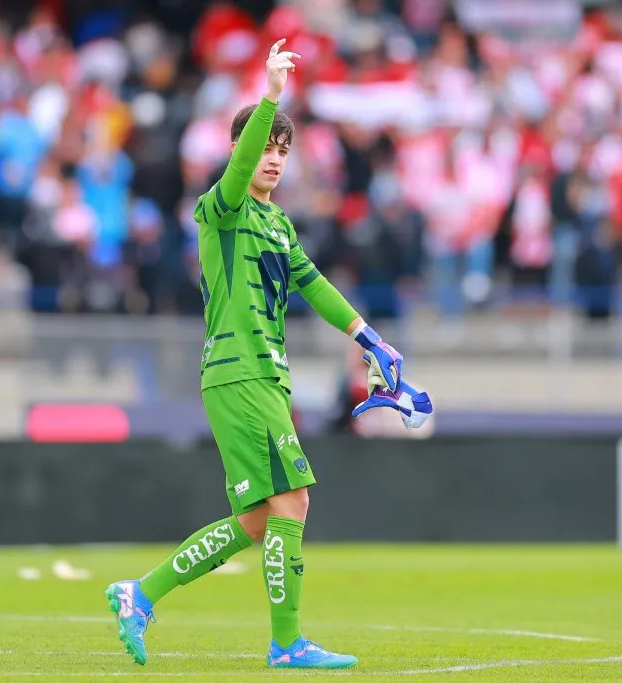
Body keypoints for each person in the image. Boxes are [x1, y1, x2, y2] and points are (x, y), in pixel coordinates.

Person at [104, 38, 405, 671]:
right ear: (242, 148)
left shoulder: (278, 224)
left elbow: (314, 283)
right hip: (238, 373)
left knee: (257, 521)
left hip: (264, 376)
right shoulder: (220, 206)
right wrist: (270, 95)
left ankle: (141, 593)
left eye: (282, 150)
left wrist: (368, 336)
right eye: (264, 145)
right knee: (293, 504)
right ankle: (287, 644)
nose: (272, 158)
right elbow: (238, 171)